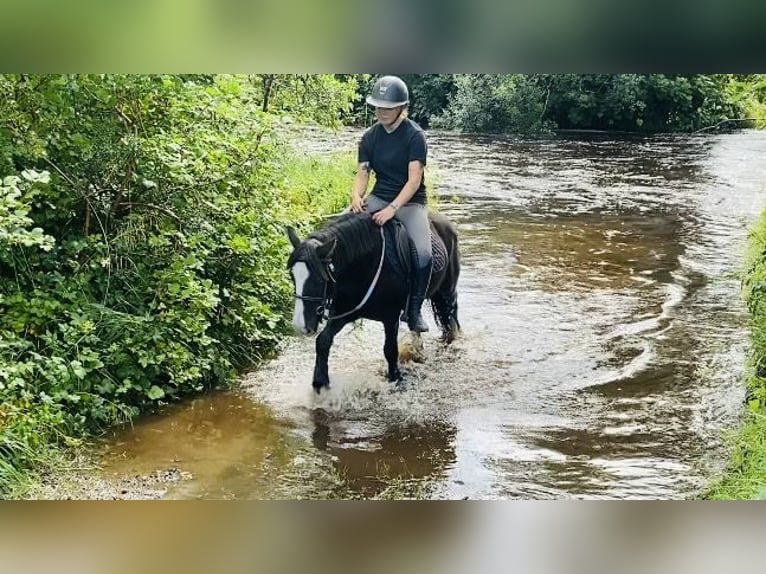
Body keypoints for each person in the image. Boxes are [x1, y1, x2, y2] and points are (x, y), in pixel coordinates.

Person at [350, 75, 432, 333]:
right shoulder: (369, 137)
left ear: (401, 108)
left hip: (410, 203)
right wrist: (356, 196)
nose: (381, 112)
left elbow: (413, 181)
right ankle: (338, 297)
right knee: (340, 232)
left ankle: (414, 310)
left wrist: (391, 209)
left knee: (424, 253)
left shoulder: (414, 136)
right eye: (377, 106)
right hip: (378, 196)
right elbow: (363, 172)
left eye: (387, 107)